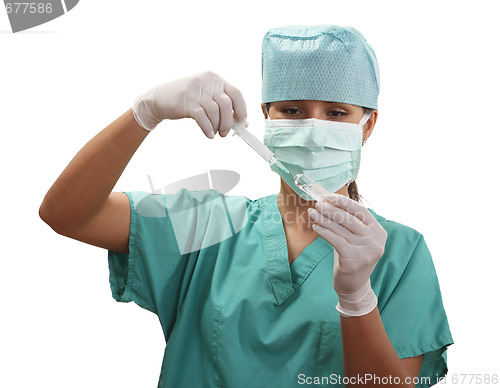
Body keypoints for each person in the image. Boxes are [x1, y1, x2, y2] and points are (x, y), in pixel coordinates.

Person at [39, 25, 453, 387]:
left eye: (336, 113)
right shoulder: (205, 226)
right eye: (292, 110)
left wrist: (359, 298)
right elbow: (67, 214)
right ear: (266, 119)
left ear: (368, 124)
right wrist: (144, 113)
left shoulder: (400, 252)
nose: (311, 130)